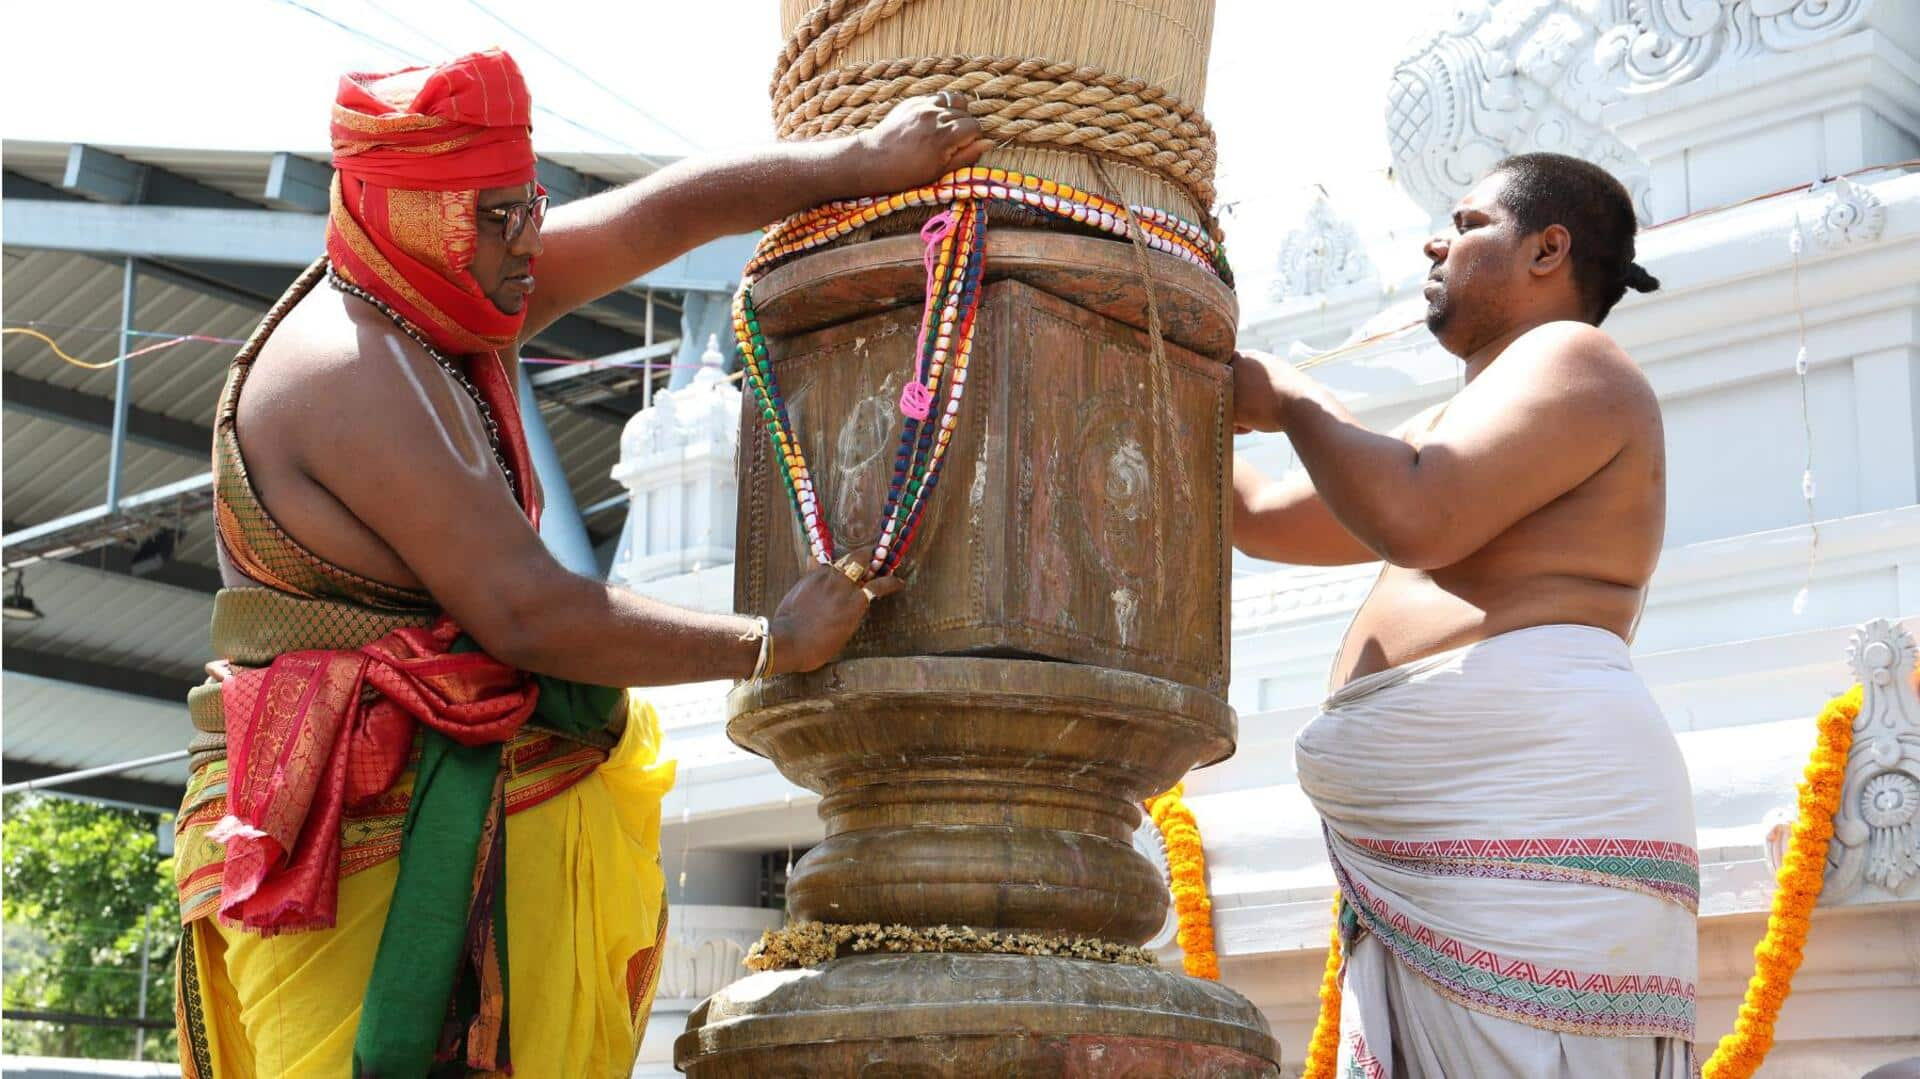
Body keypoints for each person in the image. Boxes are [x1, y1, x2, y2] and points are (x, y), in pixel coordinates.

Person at [170, 48, 987, 1077]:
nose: (528, 243)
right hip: (338, 835)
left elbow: (661, 218)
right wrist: (772, 641)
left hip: (449, 786)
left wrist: (859, 160)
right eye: (492, 218)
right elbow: (526, 609)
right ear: (405, 217)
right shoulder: (346, 367)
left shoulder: (448, 294)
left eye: (531, 206)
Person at [1232, 152, 1697, 1076]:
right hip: (1443, 849)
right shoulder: (1440, 434)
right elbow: (1254, 519)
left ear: (1547, 250)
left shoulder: (1576, 358)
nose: (1436, 241)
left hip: (1533, 812)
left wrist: (1289, 398)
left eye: (1469, 221)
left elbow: (1417, 516)